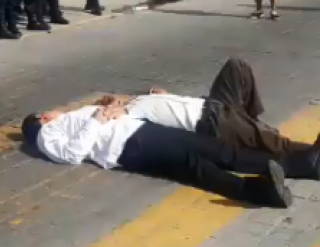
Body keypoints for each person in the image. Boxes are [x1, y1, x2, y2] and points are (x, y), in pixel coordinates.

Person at [22, 104, 293, 208]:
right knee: (193, 165)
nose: (56, 109)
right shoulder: (47, 135)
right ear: (41, 117)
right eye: (49, 110)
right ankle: (258, 192)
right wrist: (95, 119)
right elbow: (72, 154)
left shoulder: (69, 117)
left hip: (141, 128)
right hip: (129, 146)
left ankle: (273, 166)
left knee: (208, 147)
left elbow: (103, 114)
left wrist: (115, 108)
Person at [97, 59, 320, 175]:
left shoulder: (144, 100)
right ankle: (309, 161)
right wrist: (118, 109)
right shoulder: (129, 114)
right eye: (109, 100)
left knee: (236, 66)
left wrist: (164, 96)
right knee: (277, 143)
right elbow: (113, 120)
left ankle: (249, 123)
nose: (115, 98)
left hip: (215, 104)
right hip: (214, 123)